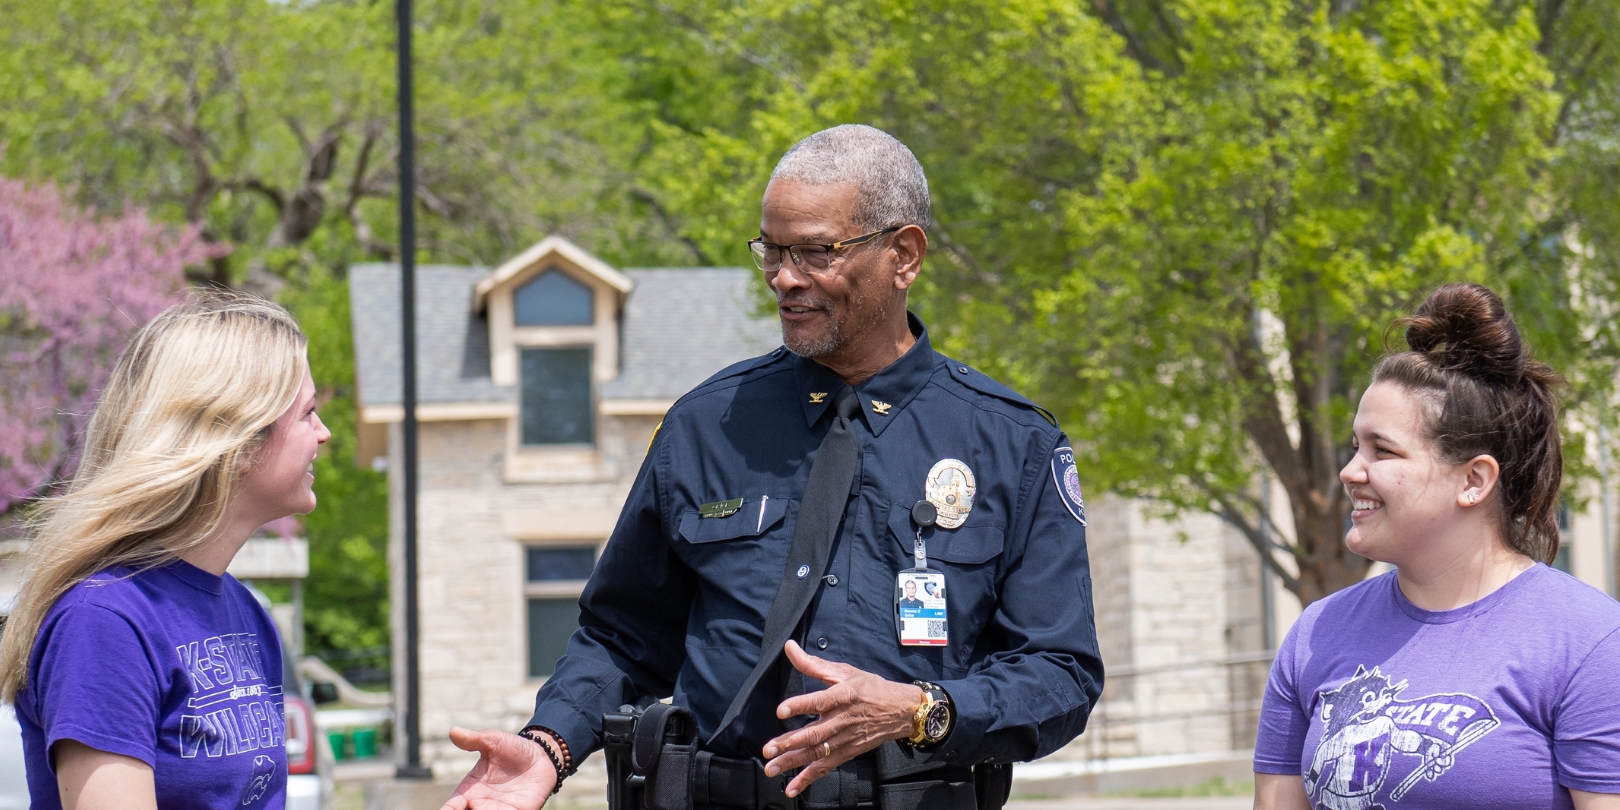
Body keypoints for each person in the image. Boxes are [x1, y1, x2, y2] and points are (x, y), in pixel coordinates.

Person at [443, 124, 1102, 810]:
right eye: (772, 250)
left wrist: (922, 709)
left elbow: (1060, 672)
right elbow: (621, 636)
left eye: (817, 251)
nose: (785, 278)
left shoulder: (1013, 443)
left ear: (903, 256)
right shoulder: (706, 426)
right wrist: (550, 747)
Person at [1252, 283, 1620, 810]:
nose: (1350, 471)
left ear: (1473, 479)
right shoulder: (1315, 634)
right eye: (1356, 445)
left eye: (1383, 450)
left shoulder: (1590, 643)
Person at [0, 293, 330, 810]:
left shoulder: (247, 615)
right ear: (238, 439)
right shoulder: (103, 623)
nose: (324, 434)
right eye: (308, 413)